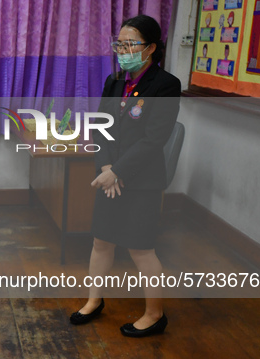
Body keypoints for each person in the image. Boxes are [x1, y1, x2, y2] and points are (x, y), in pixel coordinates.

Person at [70, 15, 181, 337]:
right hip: (111, 177)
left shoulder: (166, 85)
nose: (123, 49)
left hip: (142, 181)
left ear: (150, 48)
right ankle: (94, 301)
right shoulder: (114, 81)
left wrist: (117, 171)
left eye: (130, 43)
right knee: (101, 241)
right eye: (119, 43)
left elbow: (153, 139)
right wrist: (105, 168)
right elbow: (101, 128)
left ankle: (154, 314)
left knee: (140, 249)